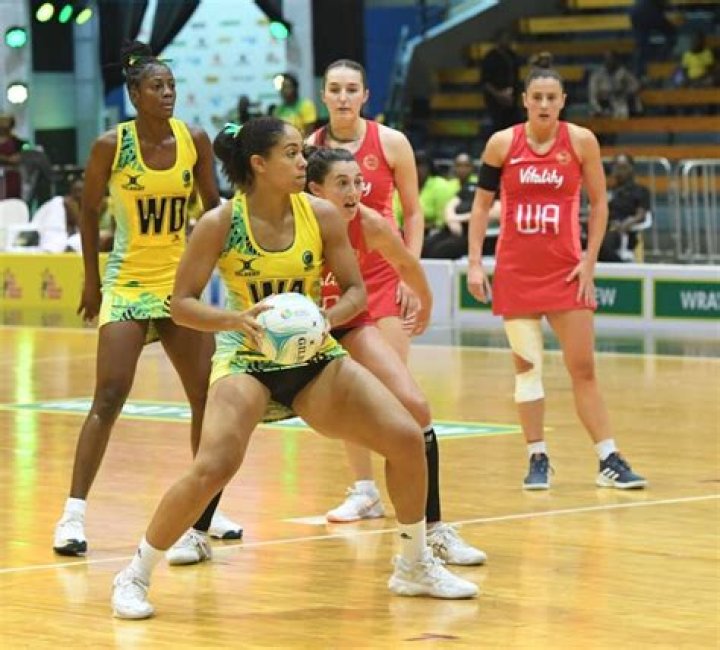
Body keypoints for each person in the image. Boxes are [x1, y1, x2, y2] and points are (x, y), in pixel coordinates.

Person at [110, 117, 478, 619]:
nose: (304, 161)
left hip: (313, 356)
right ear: (259, 164)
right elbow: (181, 305)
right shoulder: (220, 222)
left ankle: (413, 565)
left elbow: (356, 291)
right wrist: (235, 320)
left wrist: (326, 318)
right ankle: (134, 575)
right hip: (247, 359)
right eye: (291, 153)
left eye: (302, 152)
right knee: (213, 467)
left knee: (406, 437)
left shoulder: (321, 214)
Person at [52, 41, 242, 558]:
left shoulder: (194, 139)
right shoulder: (110, 145)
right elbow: (88, 213)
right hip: (128, 282)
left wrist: (222, 275)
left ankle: (205, 510)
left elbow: (214, 211)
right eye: (157, 86)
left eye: (172, 86)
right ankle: (72, 516)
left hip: (179, 286)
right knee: (109, 395)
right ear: (134, 94)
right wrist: (91, 281)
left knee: (205, 395)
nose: (167, 93)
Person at [467, 67, 647, 491]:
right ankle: (537, 456)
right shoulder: (502, 144)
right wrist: (475, 263)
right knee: (527, 370)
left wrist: (589, 262)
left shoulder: (582, 141)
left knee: (583, 368)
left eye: (552, 97)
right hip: (516, 272)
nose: (544, 104)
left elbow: (600, 205)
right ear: (525, 101)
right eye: (537, 97)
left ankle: (608, 458)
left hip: (566, 273)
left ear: (563, 101)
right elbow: (480, 207)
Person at [307, 147, 486, 566]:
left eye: (358, 182)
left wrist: (424, 302)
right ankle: (199, 527)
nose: (354, 192)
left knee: (416, 407)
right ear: (315, 189)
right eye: (342, 183)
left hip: (347, 322)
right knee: (231, 423)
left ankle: (433, 532)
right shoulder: (290, 221)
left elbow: (407, 264)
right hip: (296, 333)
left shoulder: (370, 223)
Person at [306, 59, 426, 517]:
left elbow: (413, 211)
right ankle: (364, 489)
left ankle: (409, 486)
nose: (343, 97)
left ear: (365, 95)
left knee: (394, 390)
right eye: (335, 89)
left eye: (351, 89)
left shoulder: (392, 142)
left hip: (383, 274)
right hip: (335, 280)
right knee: (348, 388)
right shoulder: (309, 148)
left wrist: (410, 274)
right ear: (324, 94)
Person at [598, 154, 651, 263]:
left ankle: (623, 267)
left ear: (631, 169)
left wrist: (627, 223)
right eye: (616, 167)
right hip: (604, 229)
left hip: (625, 233)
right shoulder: (608, 190)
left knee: (602, 245)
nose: (619, 171)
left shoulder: (641, 191)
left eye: (623, 167)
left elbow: (641, 215)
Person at [395, 150, 455, 237]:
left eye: (421, 165)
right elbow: (395, 216)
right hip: (405, 232)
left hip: (434, 233)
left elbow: (442, 221)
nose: (417, 169)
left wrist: (420, 227)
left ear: (429, 167)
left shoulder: (440, 185)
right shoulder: (403, 185)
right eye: (414, 165)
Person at [480, 30, 523, 136]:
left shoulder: (512, 56)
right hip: (495, 101)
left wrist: (512, 93)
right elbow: (485, 82)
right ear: (498, 40)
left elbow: (515, 77)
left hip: (512, 99)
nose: (508, 42)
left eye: (509, 39)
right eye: (505, 39)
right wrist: (499, 95)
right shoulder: (490, 58)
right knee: (499, 129)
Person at [630, 0, 677, 78]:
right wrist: (672, 7)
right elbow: (664, 4)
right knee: (672, 34)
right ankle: (661, 58)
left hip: (635, 12)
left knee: (642, 44)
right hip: (648, 12)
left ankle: (638, 72)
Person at [588, 52, 641, 119]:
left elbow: (636, 85)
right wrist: (599, 111)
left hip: (619, 102)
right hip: (602, 106)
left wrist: (625, 90)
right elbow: (592, 97)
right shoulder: (597, 75)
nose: (610, 61)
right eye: (607, 59)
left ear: (616, 60)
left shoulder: (623, 72)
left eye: (612, 59)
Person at [0, 114, 27, 199]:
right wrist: (7, 159)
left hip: (12, 176)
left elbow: (18, 158)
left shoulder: (17, 141)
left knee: (12, 199)